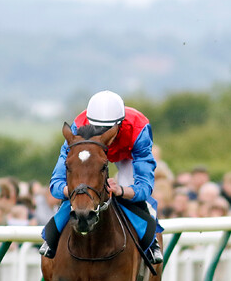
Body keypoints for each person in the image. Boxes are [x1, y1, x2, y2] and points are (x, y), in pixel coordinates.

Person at [39, 90, 163, 264]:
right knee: (80, 189)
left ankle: (151, 242)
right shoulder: (77, 129)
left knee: (133, 197)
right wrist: (75, 190)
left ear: (120, 123)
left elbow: (145, 186)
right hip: (91, 156)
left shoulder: (138, 128)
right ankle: (51, 238)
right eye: (98, 128)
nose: (103, 134)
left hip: (127, 157)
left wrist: (121, 190)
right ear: (89, 122)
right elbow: (56, 184)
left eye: (108, 130)